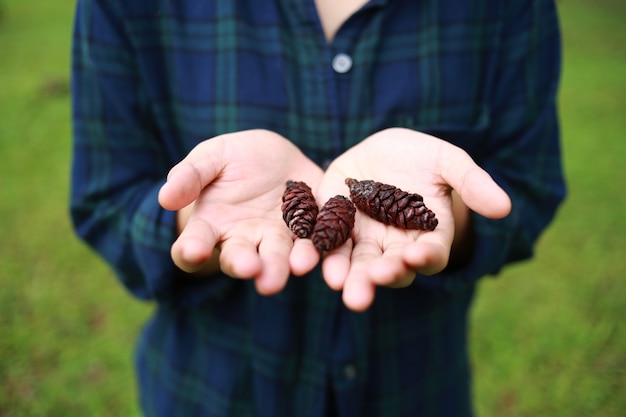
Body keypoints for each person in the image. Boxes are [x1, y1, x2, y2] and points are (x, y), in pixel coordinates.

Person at [70, 0, 565, 415]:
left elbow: (528, 187)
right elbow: (103, 201)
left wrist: (454, 218)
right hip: (209, 394)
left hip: (418, 390)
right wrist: (195, 217)